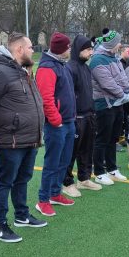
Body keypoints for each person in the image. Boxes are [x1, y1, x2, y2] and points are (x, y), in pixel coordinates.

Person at [0, 33, 48, 242]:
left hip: (29, 138)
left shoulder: (24, 71)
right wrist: (5, 128)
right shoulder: (0, 72)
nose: (33, 50)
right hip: (11, 140)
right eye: (30, 47)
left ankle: (21, 216)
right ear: (18, 50)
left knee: (23, 179)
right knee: (4, 181)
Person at [35, 33, 77, 217]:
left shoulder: (61, 65)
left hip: (68, 121)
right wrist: (56, 121)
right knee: (52, 163)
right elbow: (46, 99)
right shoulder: (47, 67)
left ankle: (54, 193)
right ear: (61, 49)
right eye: (67, 47)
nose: (69, 50)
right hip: (57, 125)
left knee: (64, 161)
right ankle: (43, 200)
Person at [90, 30, 129, 185]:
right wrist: (122, 95)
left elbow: (122, 78)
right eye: (118, 42)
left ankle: (112, 169)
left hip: (117, 103)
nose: (120, 45)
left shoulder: (114, 58)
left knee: (113, 138)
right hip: (105, 104)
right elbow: (107, 83)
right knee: (102, 139)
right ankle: (98, 171)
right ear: (112, 44)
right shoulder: (97, 59)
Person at [62, 35, 103, 196]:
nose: (91, 52)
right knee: (71, 152)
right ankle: (66, 182)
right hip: (76, 117)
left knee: (87, 149)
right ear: (79, 50)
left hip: (89, 115)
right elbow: (67, 95)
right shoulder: (69, 68)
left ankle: (84, 178)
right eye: (87, 49)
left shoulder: (86, 67)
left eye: (91, 49)